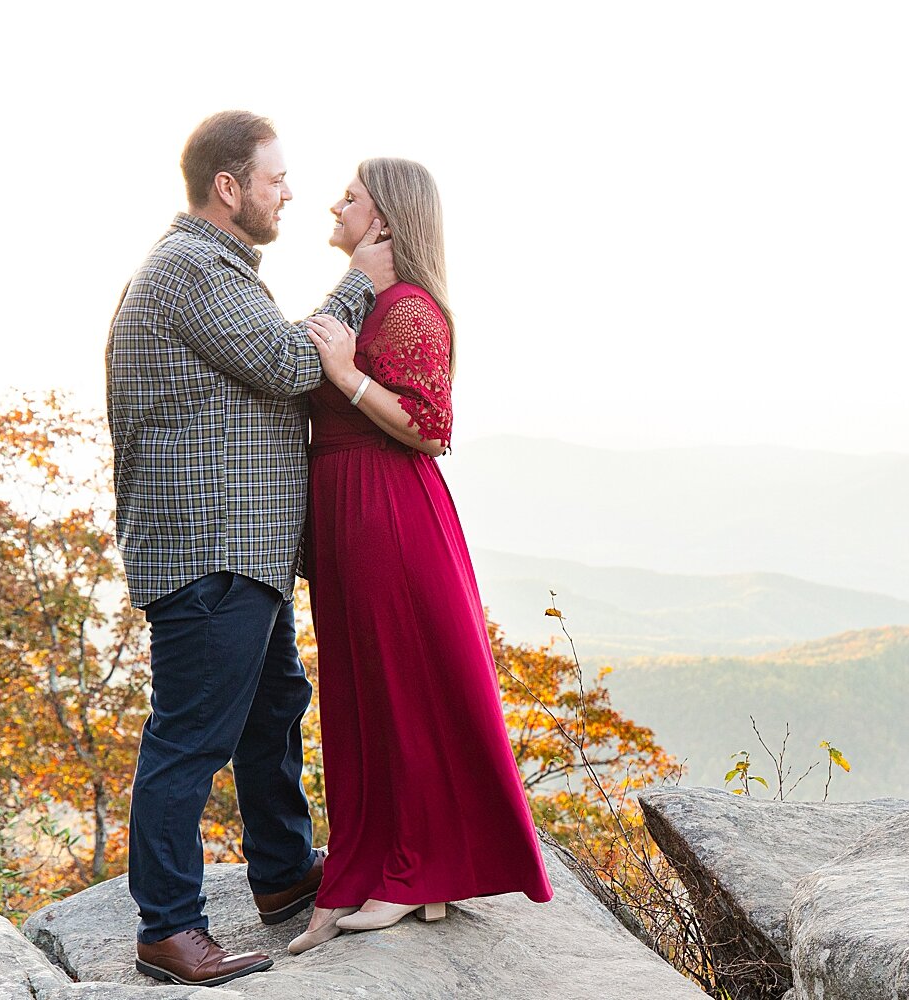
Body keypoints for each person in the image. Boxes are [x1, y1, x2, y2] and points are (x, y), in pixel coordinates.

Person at [105, 110, 396, 987]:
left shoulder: (219, 268)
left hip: (243, 553)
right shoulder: (191, 268)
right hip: (209, 554)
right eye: (274, 178)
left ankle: (280, 875)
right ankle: (168, 927)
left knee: (271, 713)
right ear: (227, 187)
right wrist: (360, 280)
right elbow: (287, 363)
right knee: (191, 738)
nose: (289, 192)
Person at [287, 158, 553, 955]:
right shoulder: (369, 299)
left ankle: (416, 873)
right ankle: (397, 867)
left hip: (385, 508)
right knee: (368, 691)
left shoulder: (408, 308)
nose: (334, 203)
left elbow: (432, 424)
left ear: (388, 219)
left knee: (399, 687)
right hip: (346, 507)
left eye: (351, 196)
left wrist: (342, 373)